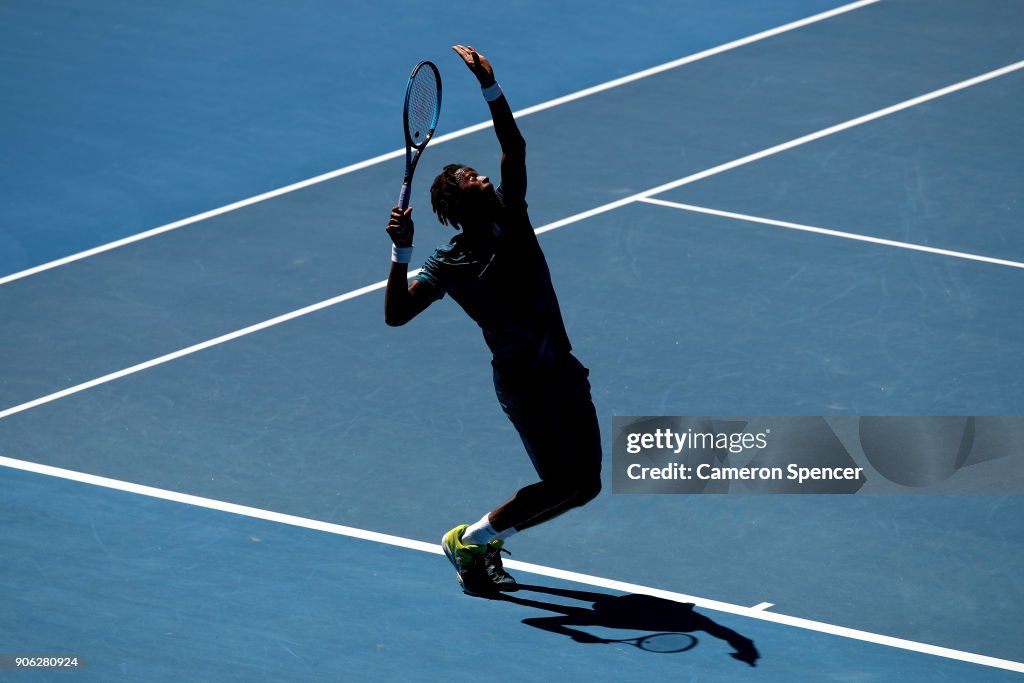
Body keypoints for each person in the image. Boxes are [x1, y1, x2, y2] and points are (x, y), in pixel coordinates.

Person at [384, 45, 602, 596]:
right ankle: (472, 540)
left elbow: (514, 145)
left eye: (480, 173)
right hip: (526, 385)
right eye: (470, 177)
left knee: (586, 487)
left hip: (562, 366)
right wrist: (401, 254)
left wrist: (491, 86)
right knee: (562, 481)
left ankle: (480, 544)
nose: (482, 176)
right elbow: (396, 314)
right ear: (457, 198)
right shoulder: (448, 262)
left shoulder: (513, 217)